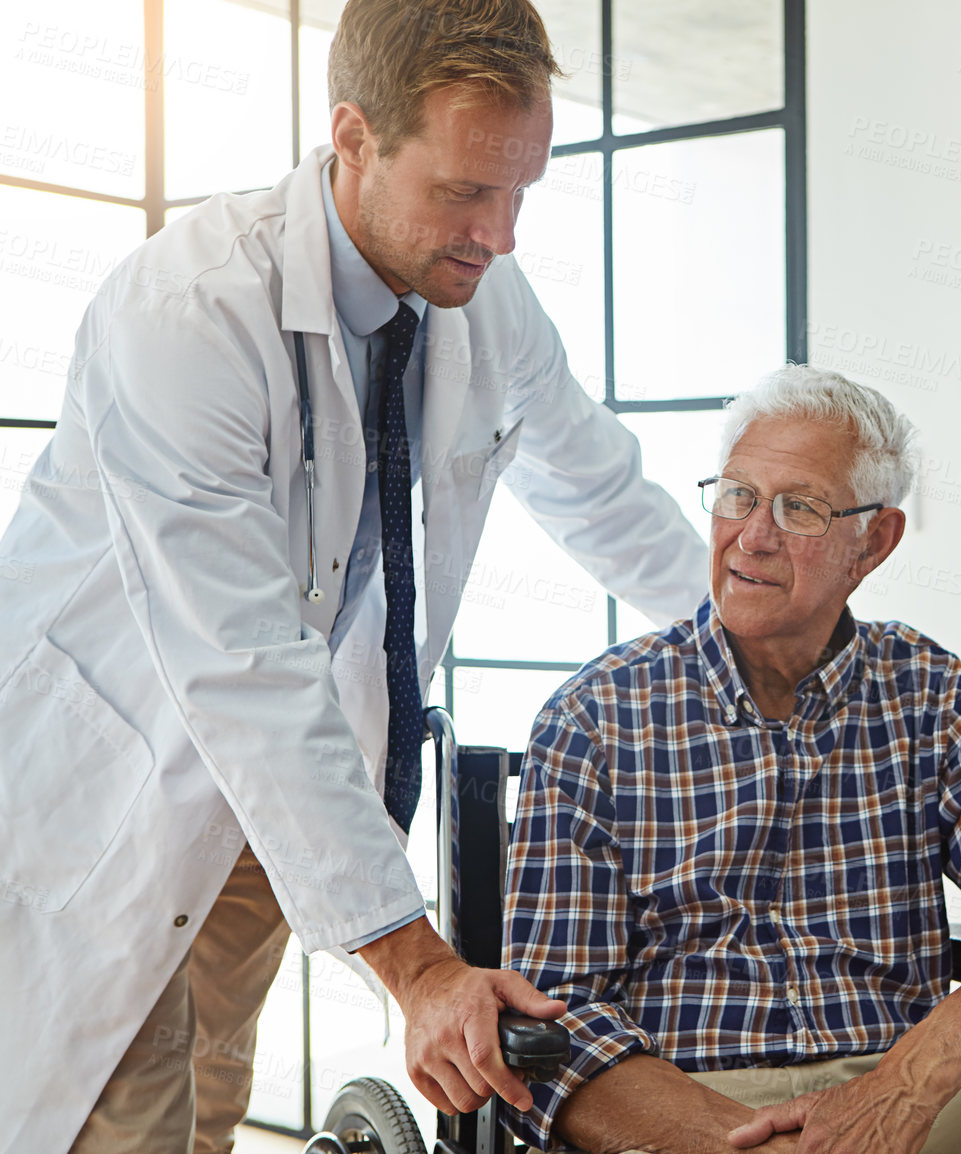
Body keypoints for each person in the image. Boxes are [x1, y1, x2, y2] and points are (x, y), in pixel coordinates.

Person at [0, 1, 708, 1150]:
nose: (503, 233)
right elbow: (241, 667)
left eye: (521, 190)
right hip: (117, 786)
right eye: (468, 192)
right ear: (355, 138)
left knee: (207, 1112)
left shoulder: (484, 300)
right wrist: (420, 966)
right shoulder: (186, 311)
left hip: (264, 822)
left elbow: (600, 488)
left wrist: (762, 641)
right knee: (115, 1121)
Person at [500, 366, 961, 1154]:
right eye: (736, 494)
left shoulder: (924, 692)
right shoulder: (596, 716)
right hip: (683, 1103)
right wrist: (750, 1143)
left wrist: (906, 1086)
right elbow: (554, 1023)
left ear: (872, 542)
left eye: (798, 507)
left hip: (906, 1094)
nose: (753, 535)